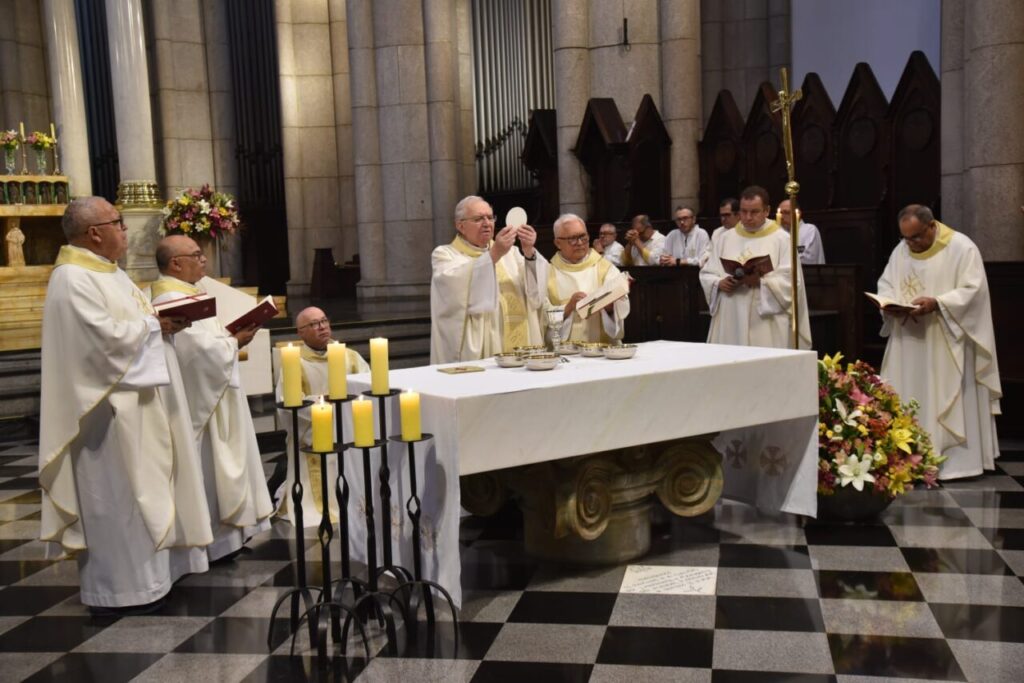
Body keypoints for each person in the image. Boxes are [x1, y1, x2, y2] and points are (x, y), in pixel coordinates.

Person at [39, 197, 213, 610]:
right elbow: (98, 343)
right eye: (118, 222)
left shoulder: (110, 273)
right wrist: (155, 324)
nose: (125, 229)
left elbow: (131, 324)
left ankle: (155, 578)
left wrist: (159, 322)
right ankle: (120, 590)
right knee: (120, 500)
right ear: (94, 232)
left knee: (146, 493)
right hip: (107, 418)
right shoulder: (71, 278)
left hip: (139, 403)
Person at [152, 235, 275, 558]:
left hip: (216, 391)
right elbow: (196, 350)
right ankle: (215, 543)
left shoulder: (190, 291)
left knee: (223, 468)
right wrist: (234, 342)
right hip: (201, 402)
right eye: (196, 254)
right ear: (175, 264)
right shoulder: (170, 297)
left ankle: (229, 540)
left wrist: (230, 337)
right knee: (210, 469)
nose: (204, 259)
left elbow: (207, 339)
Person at [876, 204, 1001, 479]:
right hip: (908, 339)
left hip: (946, 341)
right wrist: (888, 304)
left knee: (945, 392)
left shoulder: (962, 248)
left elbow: (974, 291)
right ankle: (908, 456)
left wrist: (938, 303)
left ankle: (955, 463)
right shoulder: (902, 250)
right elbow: (886, 283)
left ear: (932, 226)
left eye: (917, 236)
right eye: (905, 238)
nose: (911, 243)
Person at [274, 306, 370, 525]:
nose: (322, 327)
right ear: (300, 332)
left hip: (348, 427)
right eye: (314, 324)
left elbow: (367, 389)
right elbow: (288, 405)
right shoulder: (295, 363)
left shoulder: (351, 357)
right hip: (313, 431)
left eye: (324, 321)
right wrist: (324, 404)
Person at [430, 195, 548, 363]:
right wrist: (494, 254)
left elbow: (536, 294)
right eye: (478, 219)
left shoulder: (512, 253)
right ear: (460, 226)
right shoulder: (445, 255)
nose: (487, 223)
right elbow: (454, 290)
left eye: (490, 217)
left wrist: (529, 252)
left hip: (521, 344)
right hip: (487, 345)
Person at [699, 185, 811, 349]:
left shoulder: (782, 239)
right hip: (732, 315)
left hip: (765, 320)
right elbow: (707, 273)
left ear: (767, 211)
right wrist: (718, 283)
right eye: (743, 212)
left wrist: (761, 282)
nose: (748, 217)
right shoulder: (725, 238)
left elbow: (792, 281)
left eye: (754, 212)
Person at [547, 213, 629, 343]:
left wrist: (610, 307)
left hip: (602, 351)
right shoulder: (547, 273)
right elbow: (541, 316)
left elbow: (620, 307)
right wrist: (568, 307)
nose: (579, 243)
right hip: (564, 353)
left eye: (583, 237)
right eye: (572, 239)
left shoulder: (605, 268)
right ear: (558, 243)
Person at [777, 199, 825, 265]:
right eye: (780, 213)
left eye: (786, 212)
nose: (782, 217)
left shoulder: (809, 230)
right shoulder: (779, 233)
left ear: (798, 213)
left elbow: (809, 259)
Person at [701, 197, 740, 266]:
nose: (723, 219)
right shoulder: (717, 232)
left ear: (738, 215)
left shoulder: (747, 231)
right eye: (721, 215)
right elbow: (708, 252)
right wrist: (706, 259)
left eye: (727, 215)